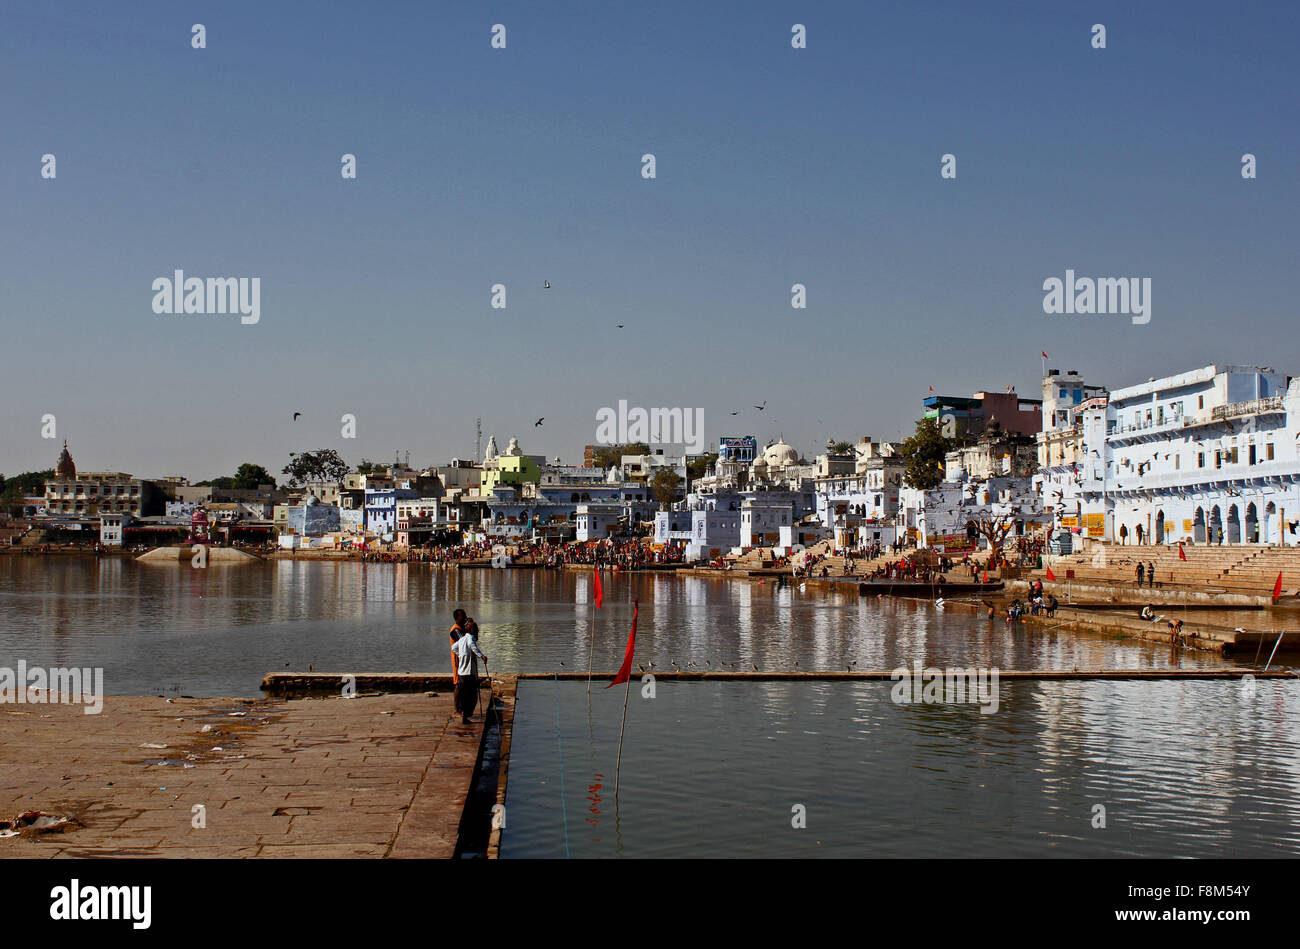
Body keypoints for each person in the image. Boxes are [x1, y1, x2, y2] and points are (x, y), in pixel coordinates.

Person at [450, 610, 488, 723]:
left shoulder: (463, 636)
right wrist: (482, 656)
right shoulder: (457, 631)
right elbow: (472, 646)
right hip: (465, 668)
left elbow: (454, 648)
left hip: (463, 668)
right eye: (463, 617)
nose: (465, 618)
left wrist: (461, 654)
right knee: (466, 691)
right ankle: (460, 711)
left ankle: (463, 712)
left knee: (463, 690)